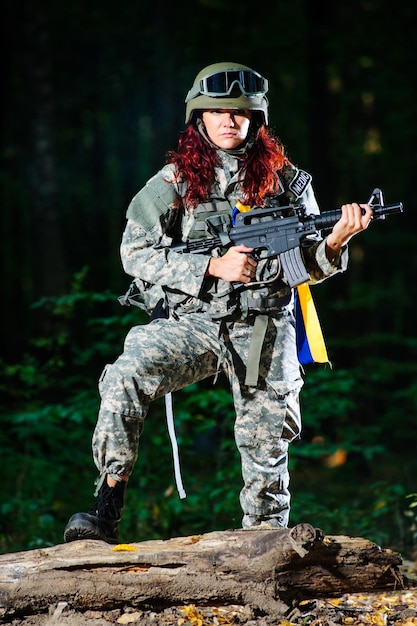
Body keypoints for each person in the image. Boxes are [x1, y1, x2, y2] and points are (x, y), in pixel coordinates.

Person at [64, 62, 373, 544]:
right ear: (198, 118)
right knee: (126, 374)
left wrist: (334, 242)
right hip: (194, 322)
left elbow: (306, 269)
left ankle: (266, 546)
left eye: (240, 112)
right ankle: (106, 503)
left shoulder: (289, 185)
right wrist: (211, 267)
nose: (229, 120)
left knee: (267, 429)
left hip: (261, 328)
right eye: (217, 111)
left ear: (257, 120)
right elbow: (133, 253)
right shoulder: (174, 182)